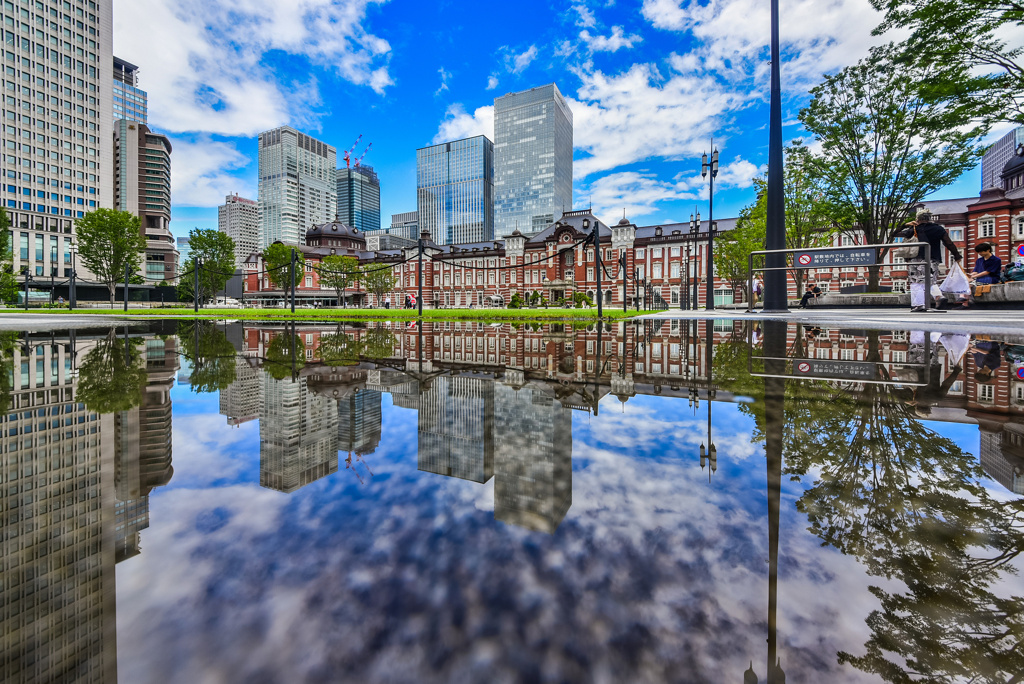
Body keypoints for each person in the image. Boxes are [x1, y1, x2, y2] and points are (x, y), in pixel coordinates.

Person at [894, 209, 963, 312]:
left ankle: (920, 304)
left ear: (917, 219)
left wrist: (905, 225)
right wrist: (957, 256)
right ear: (929, 218)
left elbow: (895, 234)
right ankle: (938, 296)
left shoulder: (914, 229)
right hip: (932, 257)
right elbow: (948, 243)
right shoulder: (938, 229)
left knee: (915, 281)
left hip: (915, 259)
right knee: (929, 279)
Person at [959, 242, 1002, 309]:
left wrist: (973, 276)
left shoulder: (996, 260)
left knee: (968, 283)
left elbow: (988, 272)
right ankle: (965, 301)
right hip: (980, 278)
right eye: (978, 252)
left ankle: (964, 301)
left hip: (991, 278)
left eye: (981, 251)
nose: (979, 253)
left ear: (988, 250)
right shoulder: (979, 260)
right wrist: (970, 275)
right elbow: (976, 271)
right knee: (965, 281)